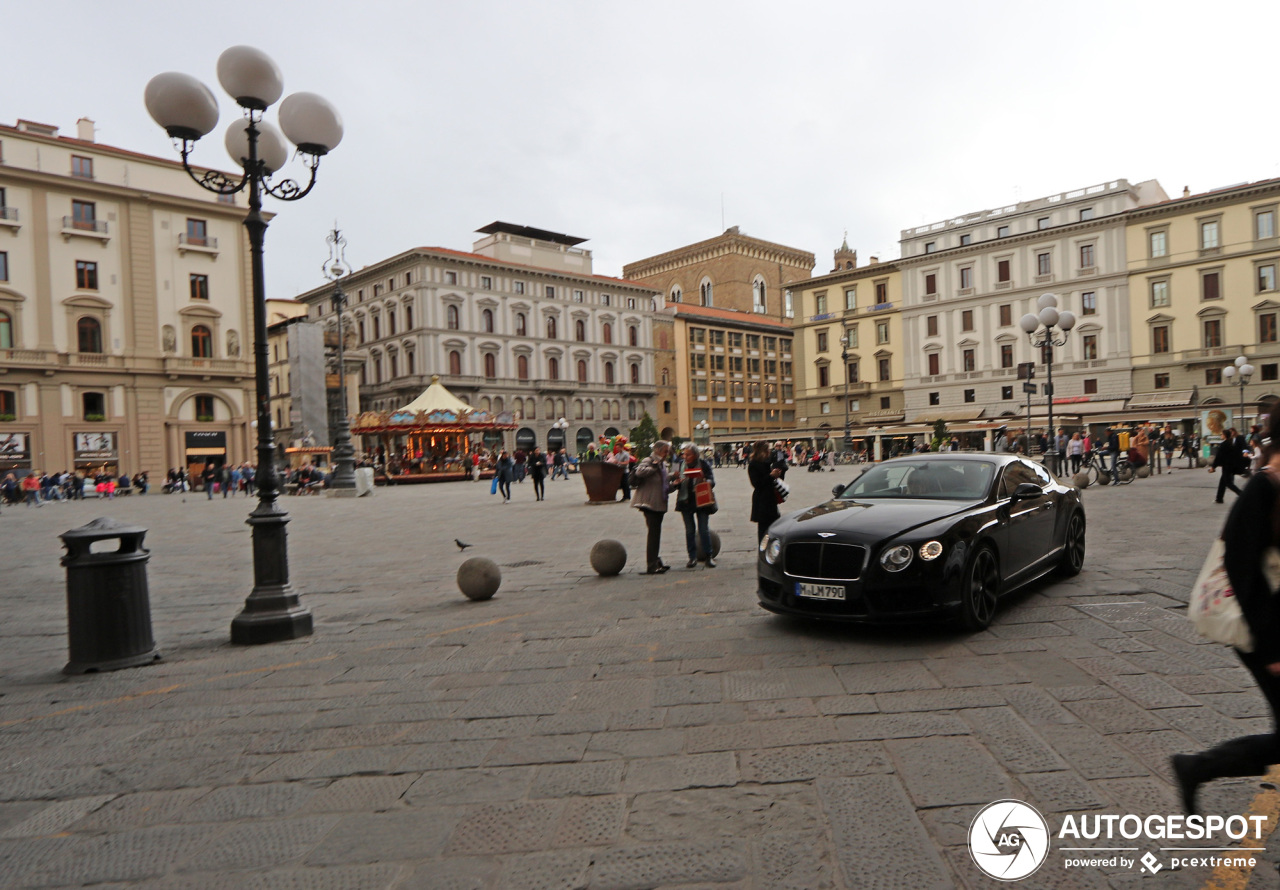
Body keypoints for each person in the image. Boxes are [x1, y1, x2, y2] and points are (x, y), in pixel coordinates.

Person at [1173, 402, 1280, 814]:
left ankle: (1197, 768)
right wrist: (1270, 649)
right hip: (1266, 633)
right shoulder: (1264, 487)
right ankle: (1198, 767)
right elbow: (1240, 565)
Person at [631, 440, 673, 574]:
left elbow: (663, 482)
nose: (667, 454)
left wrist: (675, 481)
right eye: (665, 451)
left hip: (658, 502)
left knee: (655, 533)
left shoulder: (662, 464)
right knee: (653, 534)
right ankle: (651, 564)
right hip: (649, 503)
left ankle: (656, 561)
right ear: (658, 451)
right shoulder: (650, 460)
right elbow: (640, 472)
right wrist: (655, 466)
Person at [675, 443, 717, 569]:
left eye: (688, 454)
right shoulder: (679, 464)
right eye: (684, 454)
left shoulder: (703, 464)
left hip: (701, 501)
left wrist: (705, 479)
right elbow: (672, 482)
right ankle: (692, 557)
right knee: (689, 531)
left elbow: (712, 481)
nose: (685, 456)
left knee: (703, 529)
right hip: (685, 501)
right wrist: (676, 482)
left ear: (695, 455)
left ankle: (709, 556)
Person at [748, 440, 782, 544]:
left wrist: (776, 474)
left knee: (774, 525)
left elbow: (770, 479)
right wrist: (771, 476)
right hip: (762, 500)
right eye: (767, 449)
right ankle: (763, 550)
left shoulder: (766, 462)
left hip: (770, 499)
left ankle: (771, 549)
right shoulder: (753, 464)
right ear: (762, 450)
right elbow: (757, 484)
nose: (769, 451)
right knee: (763, 529)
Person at [1210, 428, 1247, 503]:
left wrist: (1213, 467)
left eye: (1222, 434)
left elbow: (1218, 457)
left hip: (1227, 466)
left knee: (1228, 483)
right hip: (1230, 466)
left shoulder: (1224, 444)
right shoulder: (1231, 444)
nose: (1221, 435)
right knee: (1222, 482)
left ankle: (1242, 495)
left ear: (1225, 435)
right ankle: (1219, 498)